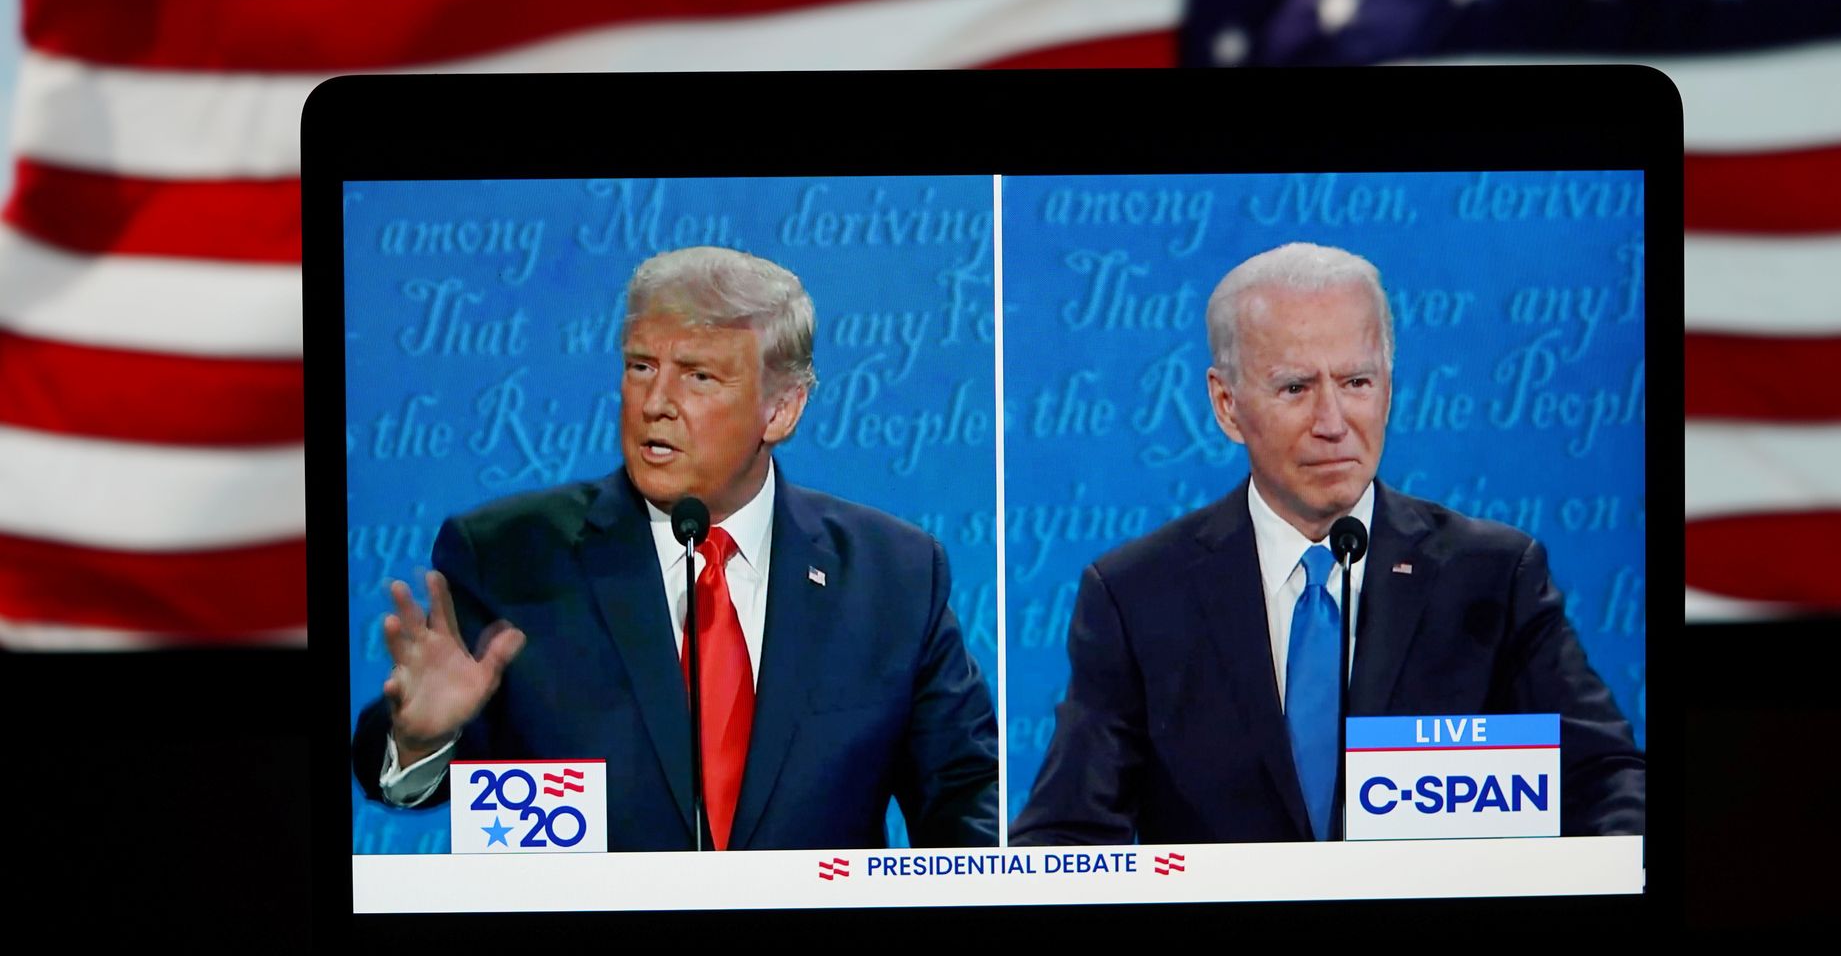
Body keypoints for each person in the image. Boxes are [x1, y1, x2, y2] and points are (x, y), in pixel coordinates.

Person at [352, 246, 998, 851]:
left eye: (698, 376)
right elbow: (406, 784)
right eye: (640, 367)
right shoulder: (510, 557)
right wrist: (419, 740)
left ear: (781, 411)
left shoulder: (893, 574)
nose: (655, 403)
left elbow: (964, 797)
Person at [1011, 243, 1644, 845]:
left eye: (1357, 383)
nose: (1333, 423)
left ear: (1389, 389)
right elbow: (1068, 833)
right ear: (1227, 406)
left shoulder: (1493, 578)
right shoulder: (1137, 596)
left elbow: (1608, 782)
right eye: (1295, 388)